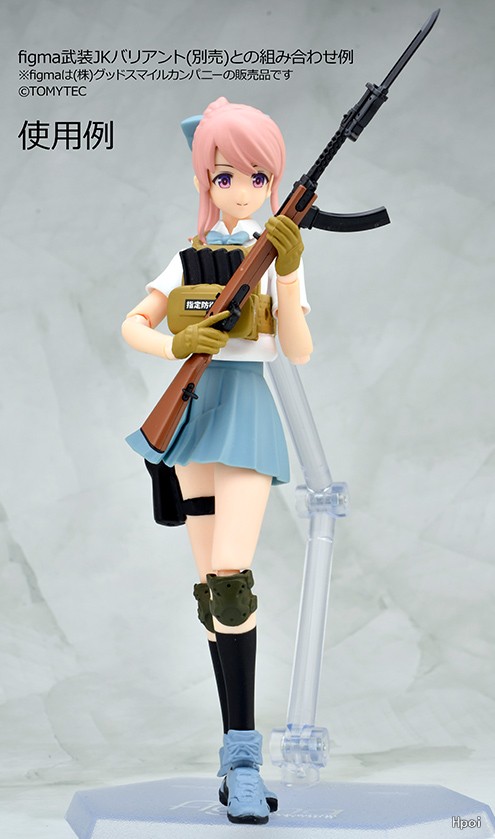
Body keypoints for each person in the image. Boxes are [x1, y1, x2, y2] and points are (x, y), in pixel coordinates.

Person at [121, 97, 312, 824]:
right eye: (227, 174)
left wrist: (287, 275)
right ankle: (234, 760)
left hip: (247, 414)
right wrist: (177, 342)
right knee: (211, 589)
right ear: (207, 178)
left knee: (231, 581)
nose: (243, 189)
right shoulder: (190, 256)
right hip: (194, 412)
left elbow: (297, 351)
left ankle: (244, 757)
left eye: (258, 177)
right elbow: (133, 324)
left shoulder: (275, 254)